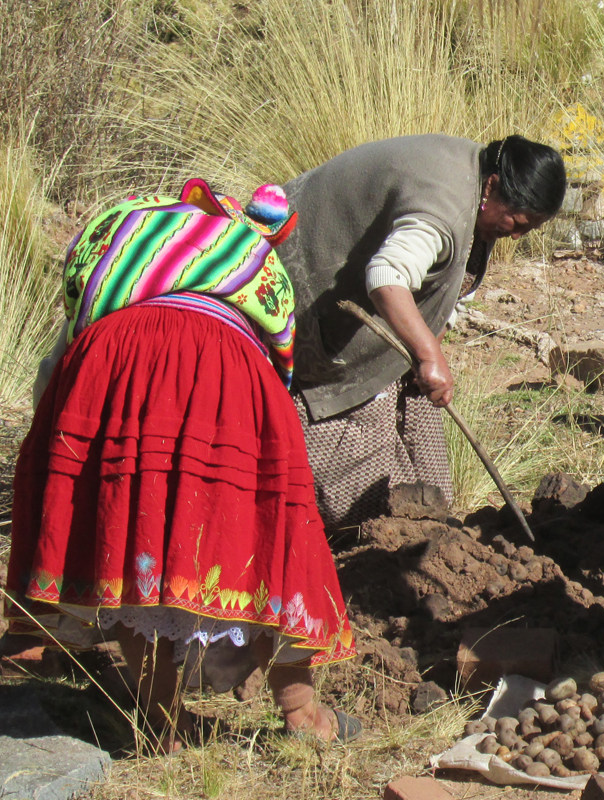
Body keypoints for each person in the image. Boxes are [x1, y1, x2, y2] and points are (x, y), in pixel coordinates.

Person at [5, 181, 357, 752]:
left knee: (122, 533)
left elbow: (62, 356)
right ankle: (302, 713)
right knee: (273, 526)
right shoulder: (254, 264)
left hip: (111, 361)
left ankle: (164, 721)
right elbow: (281, 361)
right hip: (227, 364)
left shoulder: (124, 243)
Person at [279, 134, 566, 528]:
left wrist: (432, 339)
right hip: (299, 291)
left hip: (354, 303)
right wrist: (428, 354)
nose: (516, 236)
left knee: (426, 476)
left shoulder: (476, 175)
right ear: (494, 185)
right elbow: (385, 277)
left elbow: (451, 281)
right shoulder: (443, 208)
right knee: (368, 502)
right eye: (517, 222)